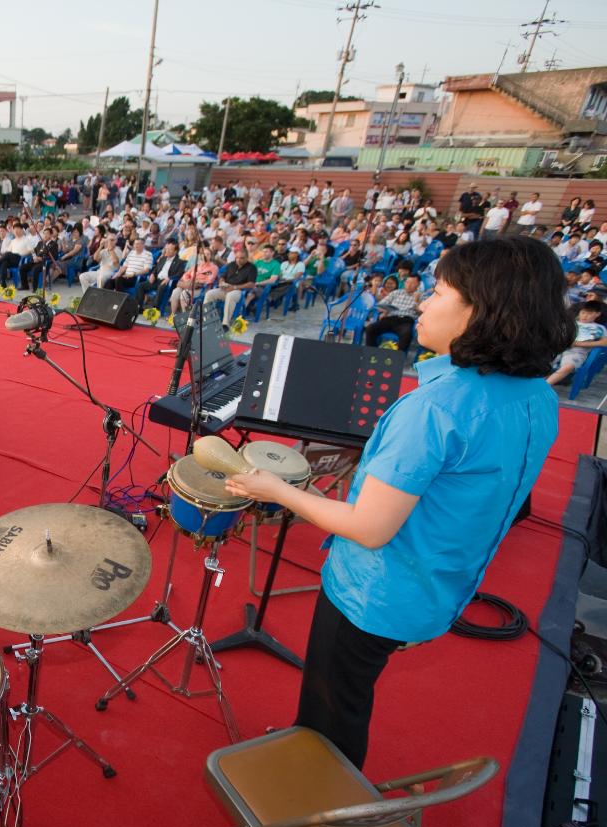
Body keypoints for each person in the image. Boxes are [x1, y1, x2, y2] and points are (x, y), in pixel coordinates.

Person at [224, 236, 575, 770]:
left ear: (480, 311)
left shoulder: (435, 407)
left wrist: (276, 491)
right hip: (440, 585)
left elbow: (367, 528)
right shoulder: (537, 395)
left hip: (377, 594)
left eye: (438, 292)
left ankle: (318, 794)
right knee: (340, 695)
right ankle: (307, 746)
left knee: (335, 708)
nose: (425, 303)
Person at [547, 301, 607, 385]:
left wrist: (579, 344)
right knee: (542, 360)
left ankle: (545, 385)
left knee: (568, 367)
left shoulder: (599, 328)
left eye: (589, 314)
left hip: (577, 351)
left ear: (597, 314)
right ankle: (536, 382)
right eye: (583, 312)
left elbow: (604, 342)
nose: (585, 316)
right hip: (559, 347)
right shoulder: (571, 323)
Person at [363, 272, 422, 351]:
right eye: (407, 282)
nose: (409, 285)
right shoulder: (397, 292)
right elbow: (381, 305)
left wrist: (416, 302)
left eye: (412, 283)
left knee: (406, 335)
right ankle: (371, 353)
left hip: (406, 321)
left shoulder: (421, 296)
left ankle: (397, 360)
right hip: (390, 318)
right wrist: (385, 310)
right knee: (370, 328)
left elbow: (421, 314)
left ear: (418, 285)